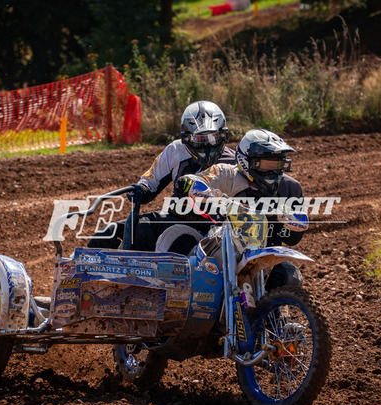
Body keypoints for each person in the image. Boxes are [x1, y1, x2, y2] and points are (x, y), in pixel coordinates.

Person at [87, 100, 236, 251]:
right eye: (199, 139)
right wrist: (141, 189)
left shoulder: (234, 163)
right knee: (109, 233)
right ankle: (88, 263)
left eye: (213, 137)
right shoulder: (175, 150)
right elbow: (150, 182)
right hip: (175, 218)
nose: (206, 145)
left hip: (214, 230)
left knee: (177, 242)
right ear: (187, 138)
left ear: (223, 135)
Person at [176, 128, 305, 289]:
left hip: (263, 257)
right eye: (267, 165)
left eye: (278, 165)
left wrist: (287, 220)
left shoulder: (290, 188)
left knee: (290, 276)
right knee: (178, 240)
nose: (273, 172)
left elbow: (293, 239)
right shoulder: (225, 174)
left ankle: (272, 304)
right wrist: (191, 183)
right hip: (219, 248)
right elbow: (196, 180)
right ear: (246, 162)